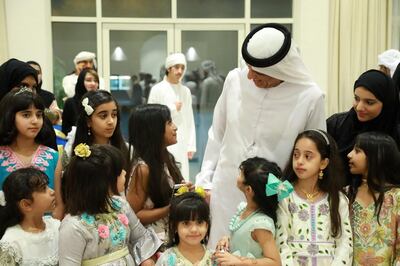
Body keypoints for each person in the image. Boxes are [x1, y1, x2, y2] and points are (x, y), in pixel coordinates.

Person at [195, 23, 326, 247]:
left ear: (282, 69)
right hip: (227, 188)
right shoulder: (235, 81)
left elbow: (313, 154)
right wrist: (206, 178)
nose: (250, 76)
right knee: (220, 251)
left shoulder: (310, 97)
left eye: (259, 72)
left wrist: (290, 196)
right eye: (249, 67)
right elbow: (217, 133)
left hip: (272, 197)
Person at [59, 143, 162, 265]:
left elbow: (141, 237)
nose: (124, 173)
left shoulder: (120, 205)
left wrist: (146, 259)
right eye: (119, 172)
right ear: (103, 182)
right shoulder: (73, 226)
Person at [276, 130, 352, 265]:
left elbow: (345, 243)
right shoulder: (284, 193)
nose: (299, 161)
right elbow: (281, 241)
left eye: (307, 156)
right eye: (296, 155)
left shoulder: (337, 199)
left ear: (323, 163)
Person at [57, 90, 128, 219]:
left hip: (120, 214)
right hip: (84, 216)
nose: (111, 121)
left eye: (114, 115)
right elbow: (60, 178)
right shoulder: (74, 149)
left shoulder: (124, 148)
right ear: (88, 121)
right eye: (103, 116)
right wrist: (60, 207)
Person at [327, 69, 400, 184]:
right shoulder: (336, 125)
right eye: (356, 99)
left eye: (369, 102)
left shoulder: (396, 134)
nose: (359, 107)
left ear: (387, 104)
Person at [126, 104, 185, 241]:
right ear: (153, 130)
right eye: (169, 123)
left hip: (170, 237)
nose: (175, 127)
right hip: (152, 245)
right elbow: (133, 216)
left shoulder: (167, 158)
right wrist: (170, 208)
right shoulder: (142, 169)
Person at [214, 157, 283, 265]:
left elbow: (275, 262)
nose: (238, 176)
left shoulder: (260, 224)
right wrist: (227, 240)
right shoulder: (243, 210)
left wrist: (240, 262)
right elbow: (245, 239)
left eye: (241, 174)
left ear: (248, 190)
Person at [346, 132, 400, 265]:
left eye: (357, 151)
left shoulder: (397, 197)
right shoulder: (345, 194)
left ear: (376, 157)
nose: (349, 154)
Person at [0, 89, 61, 190]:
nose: (35, 121)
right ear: (10, 117)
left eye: (39, 115)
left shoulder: (53, 157)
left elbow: (59, 204)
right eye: (26, 115)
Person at [148, 53, 196, 180]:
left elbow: (189, 118)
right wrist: (172, 108)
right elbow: (150, 116)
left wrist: (191, 144)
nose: (180, 71)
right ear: (169, 68)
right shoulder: (157, 89)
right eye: (176, 67)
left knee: (181, 174)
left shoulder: (185, 91)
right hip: (162, 138)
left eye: (182, 67)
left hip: (181, 138)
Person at [0, 167, 59, 265]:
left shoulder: (56, 227)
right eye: (44, 189)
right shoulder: (12, 242)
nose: (52, 192)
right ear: (26, 204)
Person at [0, 58, 57, 151]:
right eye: (23, 86)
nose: (29, 92)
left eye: (34, 87)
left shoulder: (44, 124)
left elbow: (53, 162)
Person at [156, 191, 214, 265]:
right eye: (186, 223)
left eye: (199, 222)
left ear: (207, 225)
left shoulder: (215, 258)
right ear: (174, 226)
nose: (194, 230)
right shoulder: (166, 260)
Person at [62, 68, 99, 135]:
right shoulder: (70, 103)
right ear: (81, 82)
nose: (93, 83)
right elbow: (65, 129)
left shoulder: (101, 102)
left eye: (96, 81)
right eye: (88, 80)